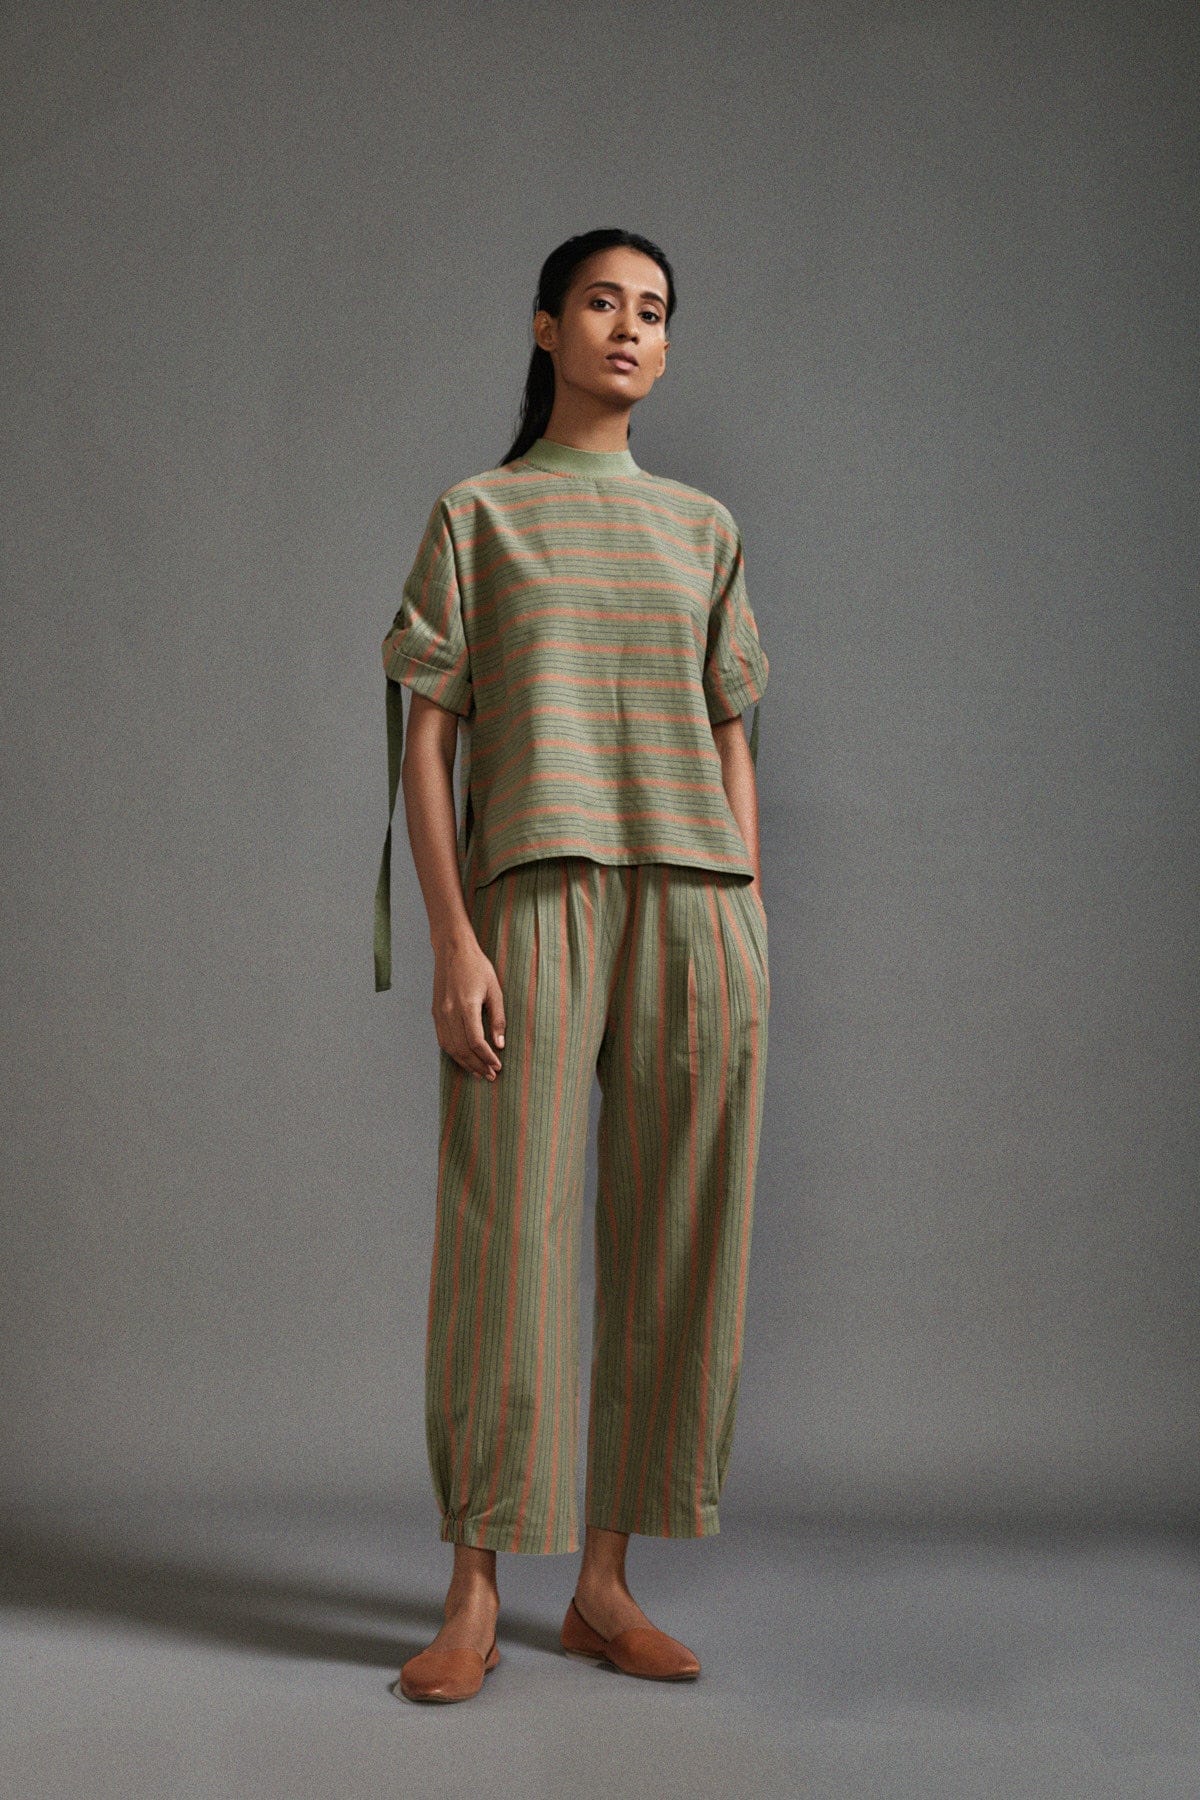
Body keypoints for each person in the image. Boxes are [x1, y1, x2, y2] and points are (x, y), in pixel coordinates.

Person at [372, 228, 770, 1702]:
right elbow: (426, 743)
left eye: (653, 311)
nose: (629, 328)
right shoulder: (478, 516)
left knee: (681, 1239)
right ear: (546, 327)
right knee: (506, 1243)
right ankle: (474, 1591)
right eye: (603, 302)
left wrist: (744, 902)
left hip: (695, 906)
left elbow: (731, 726)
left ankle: (604, 1586)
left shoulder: (704, 528)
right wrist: (454, 938)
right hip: (532, 899)